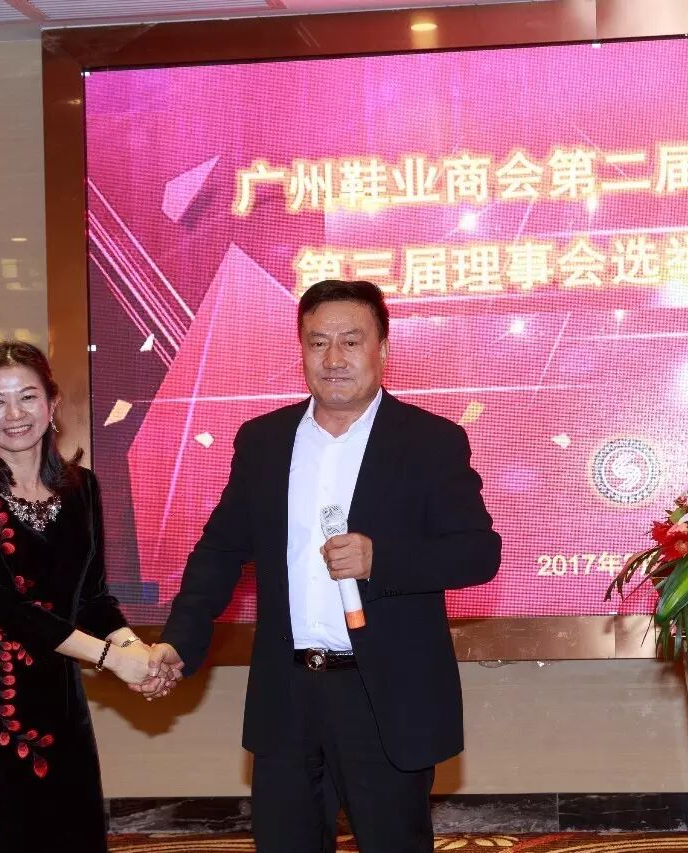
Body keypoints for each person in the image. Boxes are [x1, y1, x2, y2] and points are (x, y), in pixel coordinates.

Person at [140, 280, 501, 852]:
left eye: (351, 342)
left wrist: (380, 559)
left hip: (383, 698)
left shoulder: (429, 441)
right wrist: (180, 641)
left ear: (383, 349)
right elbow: (218, 552)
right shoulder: (264, 441)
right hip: (287, 693)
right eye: (317, 342)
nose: (333, 359)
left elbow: (479, 553)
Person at [0, 341, 168, 853]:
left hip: (58, 688)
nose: (14, 414)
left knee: (68, 826)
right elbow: (11, 611)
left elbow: (93, 597)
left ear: (52, 403)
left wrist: (136, 652)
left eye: (28, 397)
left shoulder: (82, 488)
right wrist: (112, 659)